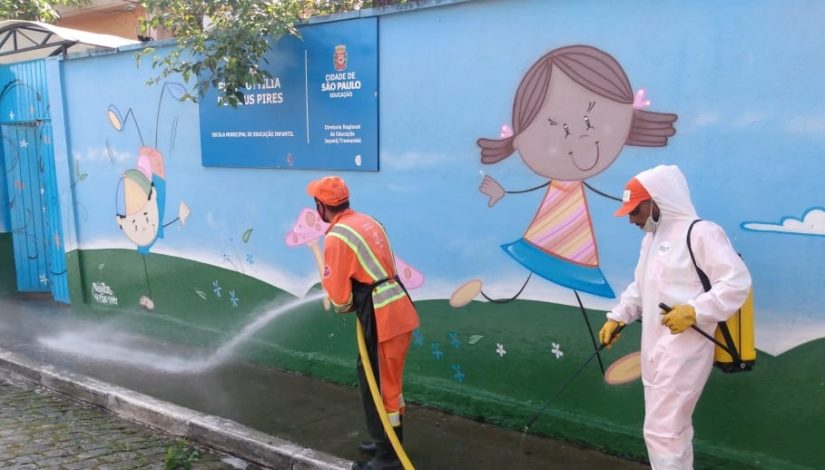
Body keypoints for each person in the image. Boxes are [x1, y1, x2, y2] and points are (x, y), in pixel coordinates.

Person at [599, 164, 751, 469]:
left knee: (664, 431)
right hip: (654, 347)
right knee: (667, 431)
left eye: (636, 210)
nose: (631, 219)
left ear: (658, 201)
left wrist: (695, 310)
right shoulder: (651, 239)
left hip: (686, 350)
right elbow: (641, 287)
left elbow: (736, 283)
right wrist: (619, 317)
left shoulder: (702, 233)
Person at [307, 176, 419, 470]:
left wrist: (343, 300)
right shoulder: (369, 221)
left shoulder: (337, 236)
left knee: (380, 384)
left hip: (381, 315)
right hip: (396, 305)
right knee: (376, 376)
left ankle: (388, 458)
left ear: (321, 207)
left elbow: (341, 300)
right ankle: (384, 440)